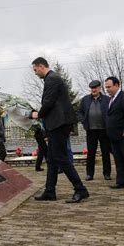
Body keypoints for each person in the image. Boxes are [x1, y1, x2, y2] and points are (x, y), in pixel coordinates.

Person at [30, 57, 89, 203]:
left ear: (41, 66)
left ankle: (80, 189)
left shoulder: (52, 79)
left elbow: (48, 102)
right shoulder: (52, 78)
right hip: (56, 124)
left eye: (35, 70)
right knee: (51, 159)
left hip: (58, 124)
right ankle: (50, 191)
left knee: (61, 158)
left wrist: (37, 114)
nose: (35, 73)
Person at [76, 80, 112, 181]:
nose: (93, 90)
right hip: (91, 130)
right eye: (92, 88)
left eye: (95, 88)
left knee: (105, 152)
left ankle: (107, 174)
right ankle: (89, 174)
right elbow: (79, 112)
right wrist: (83, 120)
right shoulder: (85, 100)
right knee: (91, 153)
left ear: (100, 88)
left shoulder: (107, 99)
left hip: (104, 130)